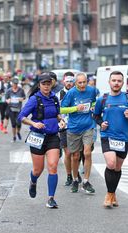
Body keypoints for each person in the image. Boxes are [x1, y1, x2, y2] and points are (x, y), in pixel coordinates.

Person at [18, 73, 63, 208]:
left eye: (49, 84)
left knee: (53, 167)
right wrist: (33, 124)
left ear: (51, 85)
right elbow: (21, 116)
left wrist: (61, 121)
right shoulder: (34, 99)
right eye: (44, 84)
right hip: (37, 137)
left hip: (52, 137)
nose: (46, 86)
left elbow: (57, 114)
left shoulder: (54, 99)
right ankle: (33, 181)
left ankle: (51, 198)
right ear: (39, 85)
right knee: (38, 170)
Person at [94, 71, 128, 208]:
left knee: (117, 168)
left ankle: (112, 194)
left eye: (119, 81)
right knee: (111, 164)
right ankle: (108, 194)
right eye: (114, 80)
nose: (116, 83)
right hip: (107, 136)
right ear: (109, 82)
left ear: (123, 83)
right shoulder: (103, 99)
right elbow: (95, 116)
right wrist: (101, 123)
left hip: (123, 138)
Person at [61, 72, 96, 194]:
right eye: (79, 83)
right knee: (75, 156)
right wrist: (75, 108)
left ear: (87, 81)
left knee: (87, 153)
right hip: (74, 128)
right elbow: (61, 109)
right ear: (76, 83)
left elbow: (94, 102)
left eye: (84, 82)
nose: (82, 85)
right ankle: (75, 179)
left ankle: (86, 181)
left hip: (88, 126)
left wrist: (93, 106)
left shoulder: (92, 91)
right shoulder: (71, 93)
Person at [56, 72, 81, 186]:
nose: (69, 83)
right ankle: (69, 175)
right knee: (67, 152)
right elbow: (56, 111)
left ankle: (75, 171)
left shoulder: (79, 93)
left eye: (71, 81)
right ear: (63, 82)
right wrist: (59, 121)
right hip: (64, 125)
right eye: (67, 81)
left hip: (77, 125)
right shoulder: (58, 95)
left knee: (76, 153)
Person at [5, 78, 26, 142]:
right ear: (12, 84)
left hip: (18, 109)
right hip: (11, 109)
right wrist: (7, 101)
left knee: (19, 124)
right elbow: (6, 98)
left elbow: (24, 97)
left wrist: (21, 99)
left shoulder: (21, 90)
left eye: (16, 84)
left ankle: (18, 132)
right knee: (13, 124)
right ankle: (14, 137)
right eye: (14, 84)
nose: (15, 85)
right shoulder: (9, 91)